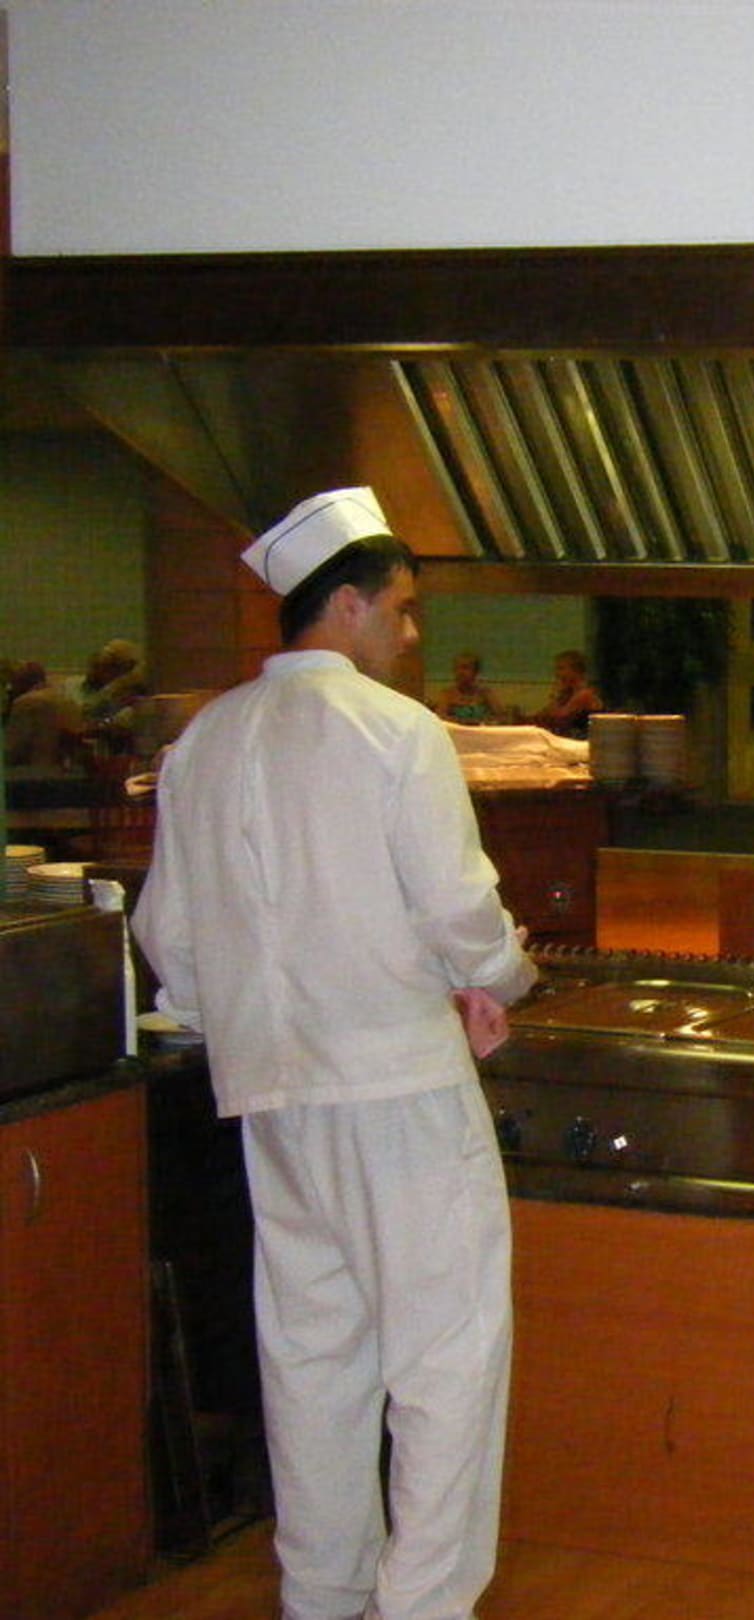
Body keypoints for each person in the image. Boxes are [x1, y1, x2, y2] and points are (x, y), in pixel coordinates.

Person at [134, 486, 538, 1620]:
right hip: (398, 1084)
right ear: (348, 604)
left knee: (314, 1351)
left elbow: (170, 935)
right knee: (446, 1354)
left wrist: (244, 1015)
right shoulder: (393, 731)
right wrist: (498, 975)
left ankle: (320, 1592)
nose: (409, 635)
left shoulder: (207, 740)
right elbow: (456, 909)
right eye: (401, 610)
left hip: (272, 1091)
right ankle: (424, 1602)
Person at [3, 660, 85, 770]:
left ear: (18, 682)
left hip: (31, 772)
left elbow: (13, 750)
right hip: (67, 772)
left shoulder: (25, 703)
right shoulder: (69, 701)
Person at [532, 648, 602, 737]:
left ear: (576, 670)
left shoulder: (585, 694)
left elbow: (559, 719)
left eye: (561, 668)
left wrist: (555, 695)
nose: (557, 673)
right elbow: (543, 716)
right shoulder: (569, 694)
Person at [434, 649, 503, 725]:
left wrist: (485, 722)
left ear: (475, 672)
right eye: (457, 668)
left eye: (465, 668)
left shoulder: (485, 694)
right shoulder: (447, 695)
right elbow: (440, 718)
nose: (460, 672)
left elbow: (501, 717)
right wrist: (461, 722)